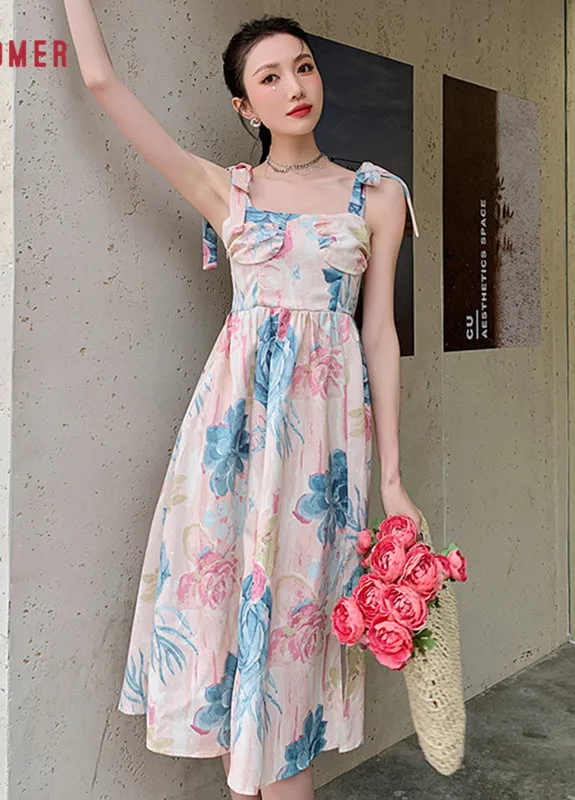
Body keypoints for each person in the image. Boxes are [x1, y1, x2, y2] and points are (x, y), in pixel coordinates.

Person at [62, 6, 422, 798]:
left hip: (323, 451)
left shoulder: (377, 195)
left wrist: (393, 480)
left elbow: (380, 335)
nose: (295, 86)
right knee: (228, 635)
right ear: (243, 105)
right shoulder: (227, 190)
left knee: (292, 658)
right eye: (271, 77)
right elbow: (101, 81)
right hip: (230, 443)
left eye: (304, 67)